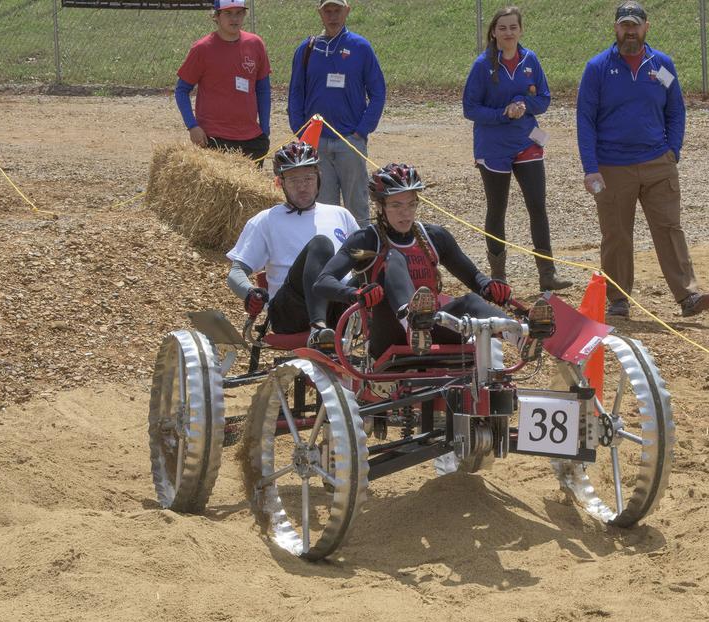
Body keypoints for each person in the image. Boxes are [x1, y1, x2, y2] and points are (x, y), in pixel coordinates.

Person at [576, 1, 709, 319]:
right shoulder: (597, 68)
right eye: (624, 25)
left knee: (669, 228)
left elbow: (676, 110)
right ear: (615, 28)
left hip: (657, 163)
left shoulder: (660, 65)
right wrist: (590, 168)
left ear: (646, 27)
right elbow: (585, 119)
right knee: (616, 235)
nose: (630, 32)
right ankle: (618, 300)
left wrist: (672, 151)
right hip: (611, 167)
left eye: (635, 26)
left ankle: (688, 295)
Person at [314, 163, 516, 360]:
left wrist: (489, 287)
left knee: (471, 301)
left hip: (430, 331)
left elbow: (473, 277)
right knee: (393, 256)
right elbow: (322, 282)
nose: (406, 213)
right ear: (379, 205)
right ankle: (411, 322)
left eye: (411, 204)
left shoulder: (434, 237)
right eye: (396, 205)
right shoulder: (366, 240)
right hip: (388, 336)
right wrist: (355, 294)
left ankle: (516, 333)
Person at [463, 5, 572, 292]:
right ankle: (499, 277)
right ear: (494, 32)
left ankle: (547, 273)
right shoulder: (482, 65)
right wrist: (503, 113)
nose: (508, 33)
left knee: (537, 206)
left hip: (527, 142)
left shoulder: (530, 59)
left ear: (520, 30)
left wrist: (524, 104)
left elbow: (545, 100)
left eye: (513, 27)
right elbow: (470, 108)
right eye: (503, 28)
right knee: (497, 210)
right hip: (493, 146)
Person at [225, 142, 374, 350]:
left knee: (380, 259)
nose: (302, 186)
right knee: (321, 245)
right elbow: (237, 271)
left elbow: (364, 262)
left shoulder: (340, 214)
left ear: (319, 177)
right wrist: (250, 292)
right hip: (291, 311)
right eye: (294, 180)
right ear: (281, 182)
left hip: (339, 304)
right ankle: (317, 328)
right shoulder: (266, 220)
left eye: (308, 178)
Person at [287, 0, 386, 226]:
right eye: (327, 11)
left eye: (337, 10)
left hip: (350, 141)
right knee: (322, 208)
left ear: (347, 11)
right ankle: (329, 256)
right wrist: (300, 131)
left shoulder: (361, 47)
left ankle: (362, 257)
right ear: (319, 13)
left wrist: (361, 131)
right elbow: (295, 92)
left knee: (357, 207)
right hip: (316, 142)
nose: (332, 16)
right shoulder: (307, 49)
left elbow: (378, 92)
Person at [175, 0, 271, 163]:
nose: (234, 18)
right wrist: (192, 126)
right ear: (216, 16)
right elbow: (181, 90)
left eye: (239, 13)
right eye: (228, 13)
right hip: (214, 137)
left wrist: (264, 129)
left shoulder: (255, 44)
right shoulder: (202, 49)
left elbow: (263, 89)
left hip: (251, 138)